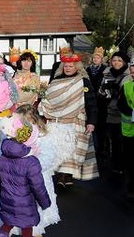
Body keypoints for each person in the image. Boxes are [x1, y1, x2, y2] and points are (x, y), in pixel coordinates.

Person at [0, 105, 70, 237]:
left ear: (33, 121)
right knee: (11, 205)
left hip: (35, 177)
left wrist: (30, 165)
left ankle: (33, 230)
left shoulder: (42, 137)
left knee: (32, 205)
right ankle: (8, 230)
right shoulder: (11, 136)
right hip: (14, 178)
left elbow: (48, 157)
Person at [0, 118, 52, 237]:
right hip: (25, 201)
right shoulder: (31, 162)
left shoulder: (3, 157)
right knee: (26, 224)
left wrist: (1, 192)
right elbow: (38, 186)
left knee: (8, 221)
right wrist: (44, 202)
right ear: (29, 140)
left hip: (7, 197)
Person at [39, 51, 98, 187]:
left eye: (71, 66)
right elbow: (49, 100)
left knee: (72, 150)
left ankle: (66, 176)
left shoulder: (84, 82)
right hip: (57, 121)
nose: (68, 68)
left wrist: (91, 122)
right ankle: (61, 175)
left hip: (75, 120)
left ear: (77, 67)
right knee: (58, 148)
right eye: (66, 66)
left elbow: (91, 103)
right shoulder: (55, 82)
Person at [99, 51, 130, 175]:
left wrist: (117, 91)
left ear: (124, 62)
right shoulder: (106, 74)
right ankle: (116, 164)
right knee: (114, 139)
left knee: (125, 141)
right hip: (110, 111)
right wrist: (104, 90)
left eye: (119, 60)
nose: (116, 62)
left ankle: (126, 165)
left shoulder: (128, 75)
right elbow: (101, 93)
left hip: (125, 112)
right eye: (114, 60)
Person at [87, 47, 108, 168]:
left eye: (98, 57)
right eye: (94, 57)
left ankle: (101, 148)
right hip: (90, 99)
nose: (96, 59)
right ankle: (91, 148)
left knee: (101, 125)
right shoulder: (88, 69)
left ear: (101, 59)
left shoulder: (105, 70)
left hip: (101, 100)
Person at [118, 61, 134, 199]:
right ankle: (130, 189)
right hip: (129, 131)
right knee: (130, 162)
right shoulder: (127, 86)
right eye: (132, 72)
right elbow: (122, 105)